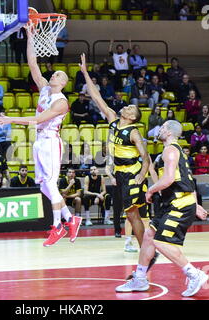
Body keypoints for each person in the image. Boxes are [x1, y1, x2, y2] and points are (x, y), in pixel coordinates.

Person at [0, 28, 82, 247]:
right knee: (44, 186)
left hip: (51, 141)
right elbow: (32, 62)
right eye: (54, 73)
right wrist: (30, 34)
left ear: (64, 83)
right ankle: (71, 219)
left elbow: (39, 119)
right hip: (39, 141)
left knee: (51, 184)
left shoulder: (61, 102)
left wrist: (11, 120)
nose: (54, 75)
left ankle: (58, 226)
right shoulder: (43, 88)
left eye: (59, 75)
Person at [115, 120, 209, 297]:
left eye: (163, 127)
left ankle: (194, 274)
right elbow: (189, 180)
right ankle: (141, 278)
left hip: (179, 204)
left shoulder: (171, 150)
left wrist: (150, 190)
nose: (159, 130)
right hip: (171, 203)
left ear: (169, 132)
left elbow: (169, 179)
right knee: (149, 237)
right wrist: (196, 204)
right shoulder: (173, 151)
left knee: (160, 241)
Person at [79, 53, 150, 252]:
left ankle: (145, 247)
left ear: (132, 116)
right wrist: (85, 72)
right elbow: (96, 97)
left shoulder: (134, 132)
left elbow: (146, 159)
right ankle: (144, 245)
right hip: (119, 172)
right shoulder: (113, 120)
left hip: (132, 174)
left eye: (130, 107)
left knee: (133, 214)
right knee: (130, 213)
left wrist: (140, 177)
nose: (126, 106)